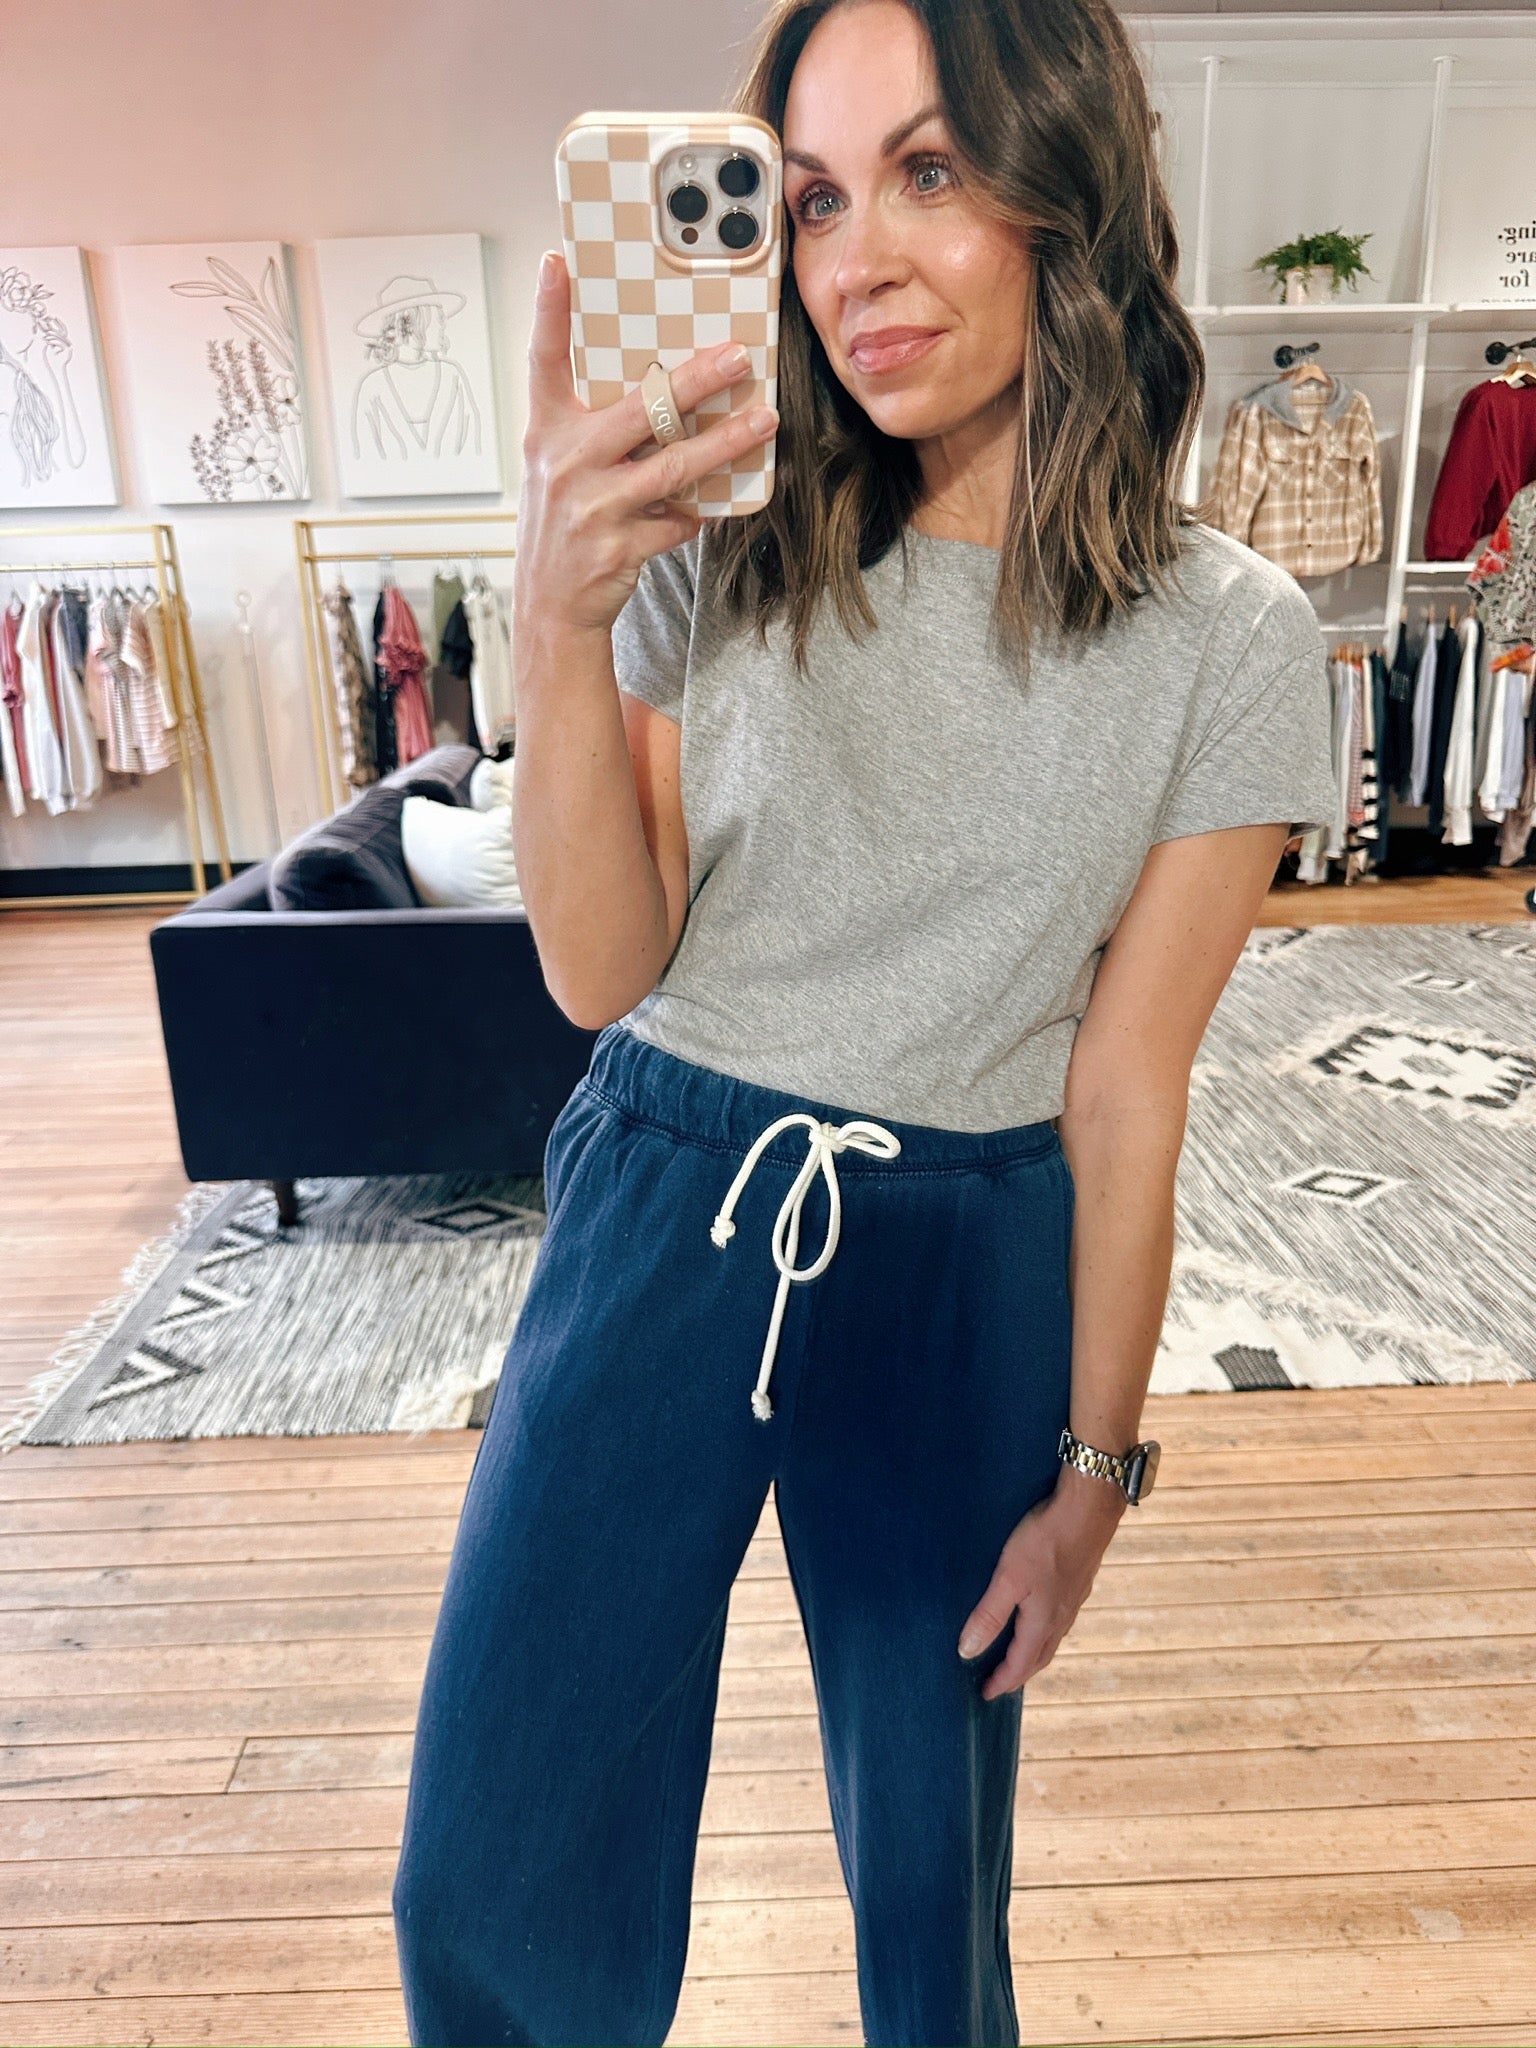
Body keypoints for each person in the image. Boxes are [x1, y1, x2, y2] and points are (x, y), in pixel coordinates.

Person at [391, 0, 1337, 2042]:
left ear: (1067, 190)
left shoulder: (1230, 643)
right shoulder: (716, 547)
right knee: (492, 1858)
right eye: (811, 199)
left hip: (966, 1248)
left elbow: (1128, 1086)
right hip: (671, 1196)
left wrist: (1097, 1472)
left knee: (931, 1875)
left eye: (929, 172)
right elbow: (596, 969)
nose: (856, 262)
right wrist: (555, 616)